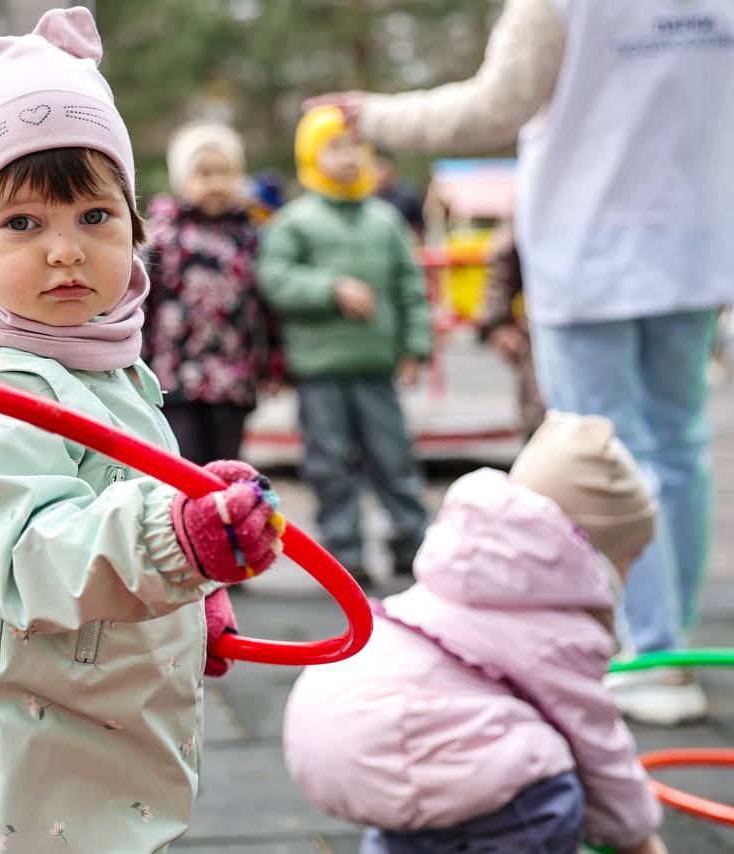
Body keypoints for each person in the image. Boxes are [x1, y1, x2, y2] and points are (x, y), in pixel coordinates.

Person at [0, 10, 285, 851]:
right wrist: (173, 546)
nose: (66, 251)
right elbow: (30, 553)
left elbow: (117, 498)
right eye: (22, 224)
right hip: (9, 775)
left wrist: (191, 602)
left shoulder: (98, 360)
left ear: (135, 224)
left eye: (95, 217)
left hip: (96, 755)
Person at [307, 0, 734, 725]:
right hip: (693, 244)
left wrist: (369, 116)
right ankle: (671, 644)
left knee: (594, 453)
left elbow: (494, 105)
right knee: (677, 446)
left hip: (588, 243)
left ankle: (649, 648)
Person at [284, 412, 667, 854]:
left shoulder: (464, 571)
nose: (631, 574)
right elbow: (599, 745)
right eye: (630, 558)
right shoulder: (560, 632)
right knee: (552, 787)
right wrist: (637, 836)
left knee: (448, 778)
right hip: (408, 742)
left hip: (328, 723)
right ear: (592, 553)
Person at [257, 106, 431, 583]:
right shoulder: (295, 222)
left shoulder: (385, 220)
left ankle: (412, 545)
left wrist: (415, 347)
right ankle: (344, 554)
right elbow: (274, 279)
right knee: (330, 463)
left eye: (357, 146)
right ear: (311, 155)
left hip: (377, 364)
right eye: (335, 147)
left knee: (394, 456)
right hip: (320, 368)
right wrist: (330, 288)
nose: (350, 156)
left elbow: (409, 286)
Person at [142, 122, 277, 465]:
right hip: (176, 375)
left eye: (224, 173)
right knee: (185, 466)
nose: (215, 184)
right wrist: (136, 362)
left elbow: (264, 306)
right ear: (182, 179)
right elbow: (142, 302)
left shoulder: (250, 235)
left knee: (227, 469)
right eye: (204, 173)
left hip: (233, 377)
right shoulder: (163, 235)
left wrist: (272, 364)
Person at [477, 222, 544, 437]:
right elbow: (504, 258)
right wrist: (497, 325)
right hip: (546, 331)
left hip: (625, 325)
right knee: (543, 424)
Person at [374, 150, 424, 238]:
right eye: (377, 168)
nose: (379, 174)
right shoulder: (367, 196)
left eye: (383, 168)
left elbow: (419, 227)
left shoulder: (408, 194)